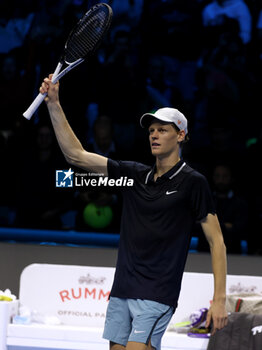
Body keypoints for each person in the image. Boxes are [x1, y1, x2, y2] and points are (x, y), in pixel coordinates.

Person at [40, 75, 228, 350]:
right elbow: (75, 155)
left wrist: (219, 300)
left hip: (157, 295)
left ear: (181, 136)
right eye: (151, 130)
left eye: (163, 130)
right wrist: (54, 103)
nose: (154, 134)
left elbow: (217, 242)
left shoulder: (193, 182)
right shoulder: (132, 175)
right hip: (122, 291)